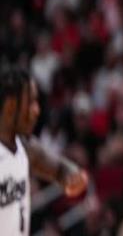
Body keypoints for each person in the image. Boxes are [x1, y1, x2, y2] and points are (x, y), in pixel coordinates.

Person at [0, 66, 88, 235]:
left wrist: (71, 176)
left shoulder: (25, 147)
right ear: (11, 106)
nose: (37, 110)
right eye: (31, 102)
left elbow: (59, 169)